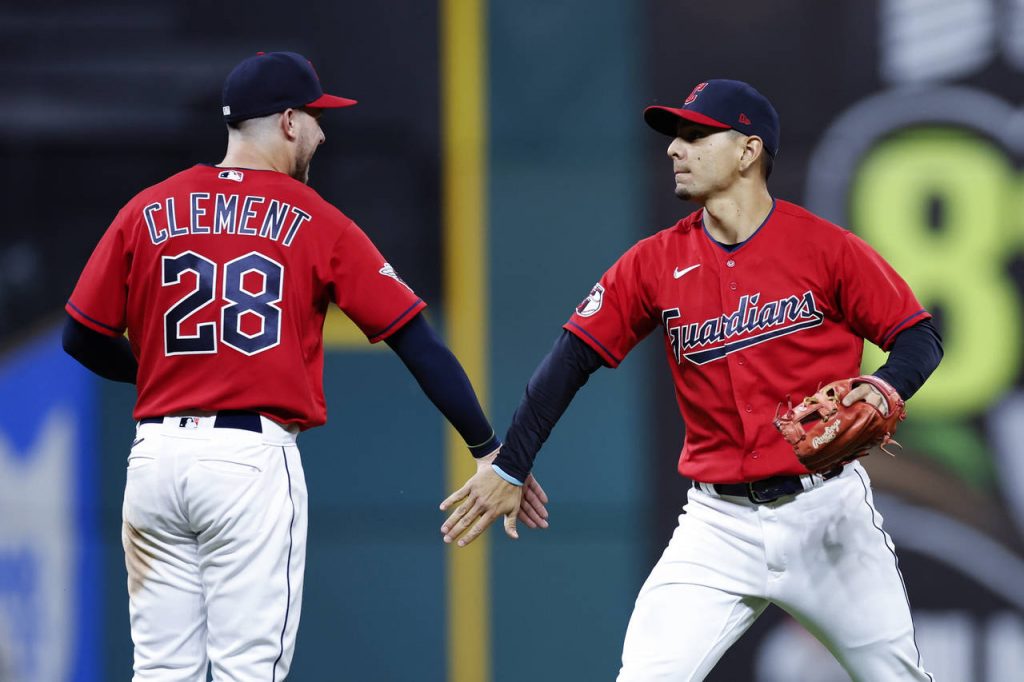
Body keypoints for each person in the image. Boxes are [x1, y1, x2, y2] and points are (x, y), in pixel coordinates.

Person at [62, 50, 546, 680]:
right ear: (288, 121)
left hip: (155, 459)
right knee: (248, 671)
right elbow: (416, 342)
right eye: (316, 118)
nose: (322, 133)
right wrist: (486, 447)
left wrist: (170, 377)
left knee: (159, 671)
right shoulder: (315, 218)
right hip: (247, 462)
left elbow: (81, 336)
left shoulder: (148, 208)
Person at [440, 79, 943, 680]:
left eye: (697, 135)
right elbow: (569, 361)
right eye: (676, 136)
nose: (675, 148)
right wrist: (510, 466)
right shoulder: (654, 262)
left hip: (828, 514)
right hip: (717, 526)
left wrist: (884, 387)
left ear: (748, 151)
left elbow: (919, 337)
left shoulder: (825, 248)